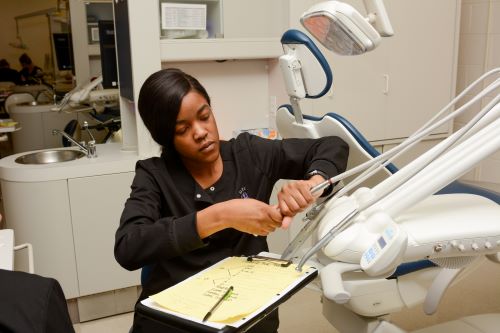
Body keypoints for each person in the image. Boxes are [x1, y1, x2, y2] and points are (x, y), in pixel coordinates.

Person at [114, 68, 349, 333]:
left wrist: (314, 183)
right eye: (183, 129)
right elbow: (128, 247)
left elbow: (332, 146)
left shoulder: (247, 153)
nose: (201, 132)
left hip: (245, 314)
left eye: (205, 116)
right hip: (176, 319)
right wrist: (222, 215)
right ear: (166, 138)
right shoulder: (154, 174)